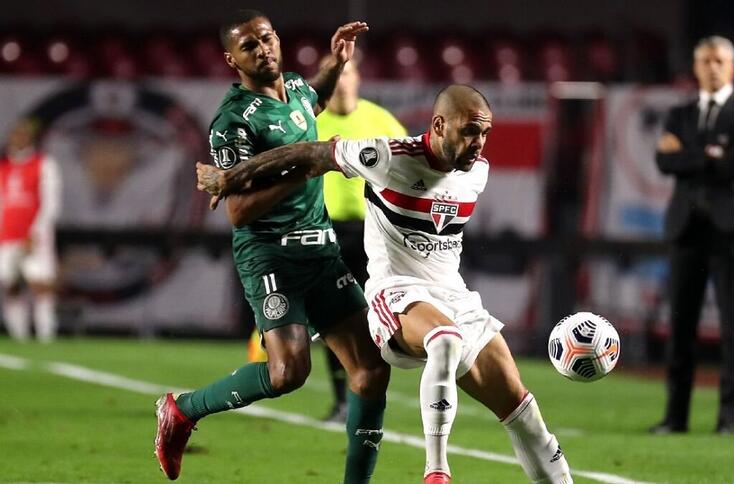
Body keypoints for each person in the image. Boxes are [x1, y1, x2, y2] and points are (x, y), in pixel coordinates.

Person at [197, 84, 574, 484]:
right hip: (395, 295)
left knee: (524, 412)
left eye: (484, 134)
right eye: (469, 131)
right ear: (439, 125)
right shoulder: (388, 156)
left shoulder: (476, 172)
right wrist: (232, 176)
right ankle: (436, 471)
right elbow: (311, 153)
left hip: (455, 297)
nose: (478, 143)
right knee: (444, 338)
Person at [154, 11, 390, 483]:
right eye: (250, 46)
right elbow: (239, 212)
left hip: (320, 251)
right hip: (271, 256)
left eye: (267, 38)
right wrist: (305, 169)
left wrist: (337, 60)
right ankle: (182, 410)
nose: (263, 49)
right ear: (232, 59)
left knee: (371, 370)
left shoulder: (298, 89)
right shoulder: (231, 122)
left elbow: (313, 100)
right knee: (288, 374)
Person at [247, 55, 407, 424]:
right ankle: (343, 400)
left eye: (348, 73)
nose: (343, 81)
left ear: (358, 78)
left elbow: (406, 171)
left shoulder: (381, 120)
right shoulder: (307, 120)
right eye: (338, 75)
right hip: (320, 230)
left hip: (373, 233)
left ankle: (369, 390)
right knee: (336, 318)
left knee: (376, 318)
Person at [651, 36, 734, 435]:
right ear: (695, 67)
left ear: (733, 67)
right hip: (687, 229)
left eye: (720, 60)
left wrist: (689, 155)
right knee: (680, 327)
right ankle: (674, 417)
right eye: (705, 60)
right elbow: (663, 161)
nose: (713, 67)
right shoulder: (679, 113)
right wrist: (713, 151)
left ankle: (728, 420)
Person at [0, 118, 62, 343]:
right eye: (14, 134)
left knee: (41, 285)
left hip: (35, 237)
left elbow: (50, 203)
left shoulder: (43, 164)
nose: (17, 139)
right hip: (6, 237)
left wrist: (35, 233)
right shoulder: (3, 168)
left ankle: (46, 337)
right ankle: (20, 339)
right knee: (10, 285)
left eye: (22, 135)